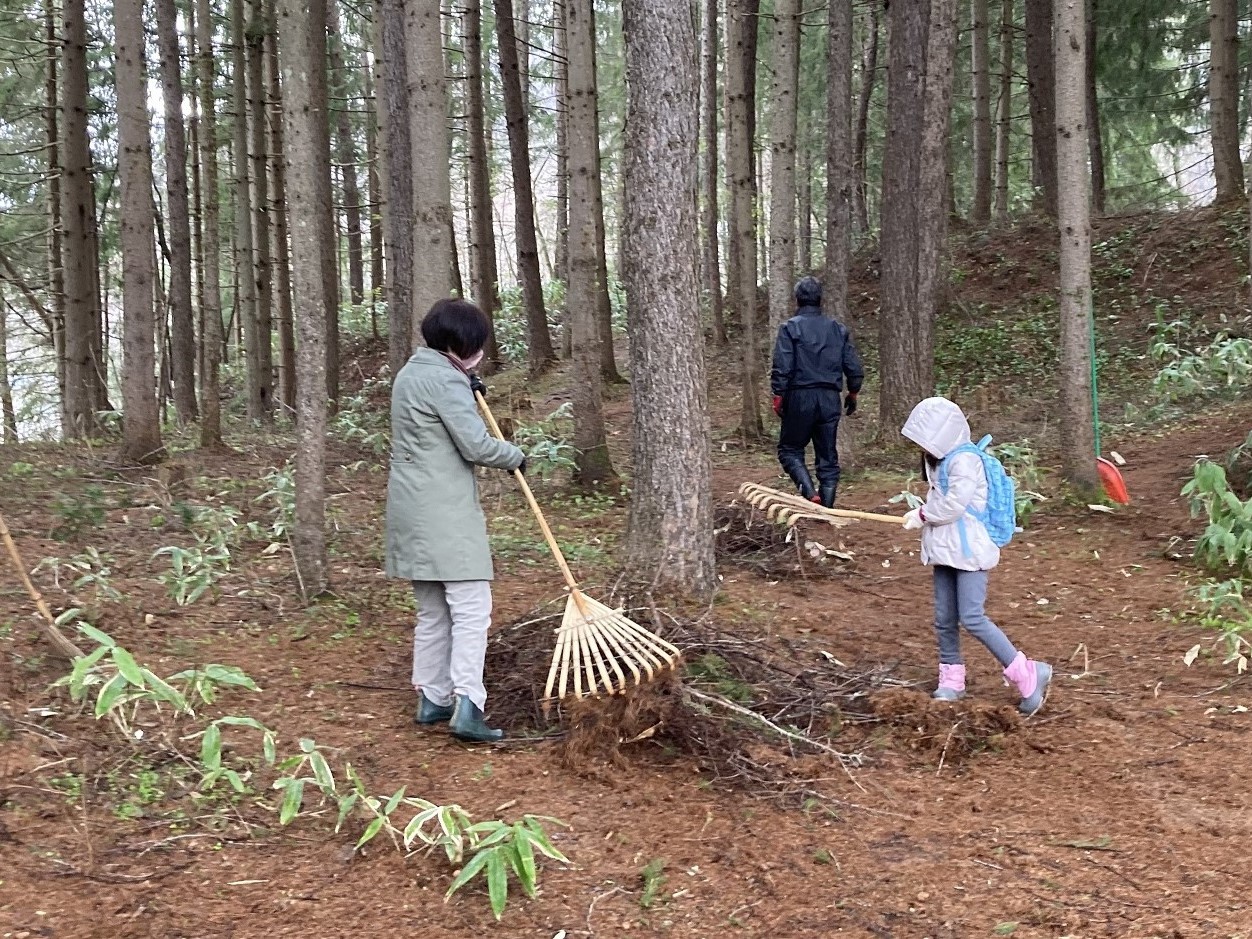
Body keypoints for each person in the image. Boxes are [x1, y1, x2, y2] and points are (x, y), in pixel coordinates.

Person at [384, 298, 526, 742]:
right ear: (462, 344)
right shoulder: (446, 382)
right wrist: (517, 455)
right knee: (470, 608)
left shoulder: (411, 373)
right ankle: (469, 705)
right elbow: (477, 445)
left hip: (409, 508)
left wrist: (465, 382)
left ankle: (433, 697)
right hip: (442, 510)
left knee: (433, 611)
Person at [899, 396, 1052, 715]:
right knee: (944, 619)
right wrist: (925, 517)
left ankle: (1027, 673)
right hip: (944, 550)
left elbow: (955, 504)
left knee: (972, 617)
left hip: (969, 552)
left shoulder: (964, 461)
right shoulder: (939, 460)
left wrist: (923, 515)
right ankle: (951, 680)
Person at [769, 276, 864, 508]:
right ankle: (826, 507)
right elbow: (853, 366)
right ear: (820, 299)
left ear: (797, 299)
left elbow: (782, 365)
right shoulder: (837, 329)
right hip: (830, 399)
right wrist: (853, 393)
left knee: (790, 450)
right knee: (828, 457)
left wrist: (778, 396)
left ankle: (810, 494)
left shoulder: (790, 328)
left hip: (800, 396)